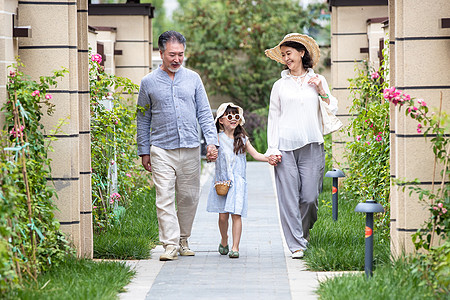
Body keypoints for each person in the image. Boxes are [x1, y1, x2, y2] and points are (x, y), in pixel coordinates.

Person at [137, 31, 219, 261]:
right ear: (161, 53)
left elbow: (204, 112)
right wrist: (144, 150)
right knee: (164, 197)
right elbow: (143, 118)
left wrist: (212, 141)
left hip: (191, 147)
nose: (177, 59)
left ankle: (183, 238)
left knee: (189, 197)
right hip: (161, 148)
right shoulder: (148, 82)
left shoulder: (193, 78)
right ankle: (170, 244)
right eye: (172, 54)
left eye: (181, 54)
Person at [264, 33, 338, 259]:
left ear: (302, 53)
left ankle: (303, 234)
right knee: (288, 197)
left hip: (312, 145)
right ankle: (296, 244)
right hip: (285, 147)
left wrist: (321, 91)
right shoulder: (279, 85)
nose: (286, 58)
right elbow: (273, 118)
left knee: (309, 197)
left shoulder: (317, 80)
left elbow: (332, 107)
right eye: (284, 55)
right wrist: (272, 149)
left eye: (289, 53)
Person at [207, 103, 272, 258]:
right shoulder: (216, 139)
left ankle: (235, 247)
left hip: (238, 183)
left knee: (237, 215)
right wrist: (210, 156)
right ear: (221, 120)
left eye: (236, 116)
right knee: (223, 217)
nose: (233, 119)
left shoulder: (242, 139)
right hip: (222, 182)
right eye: (229, 116)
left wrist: (269, 158)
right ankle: (224, 239)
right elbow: (210, 157)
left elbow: (256, 155)